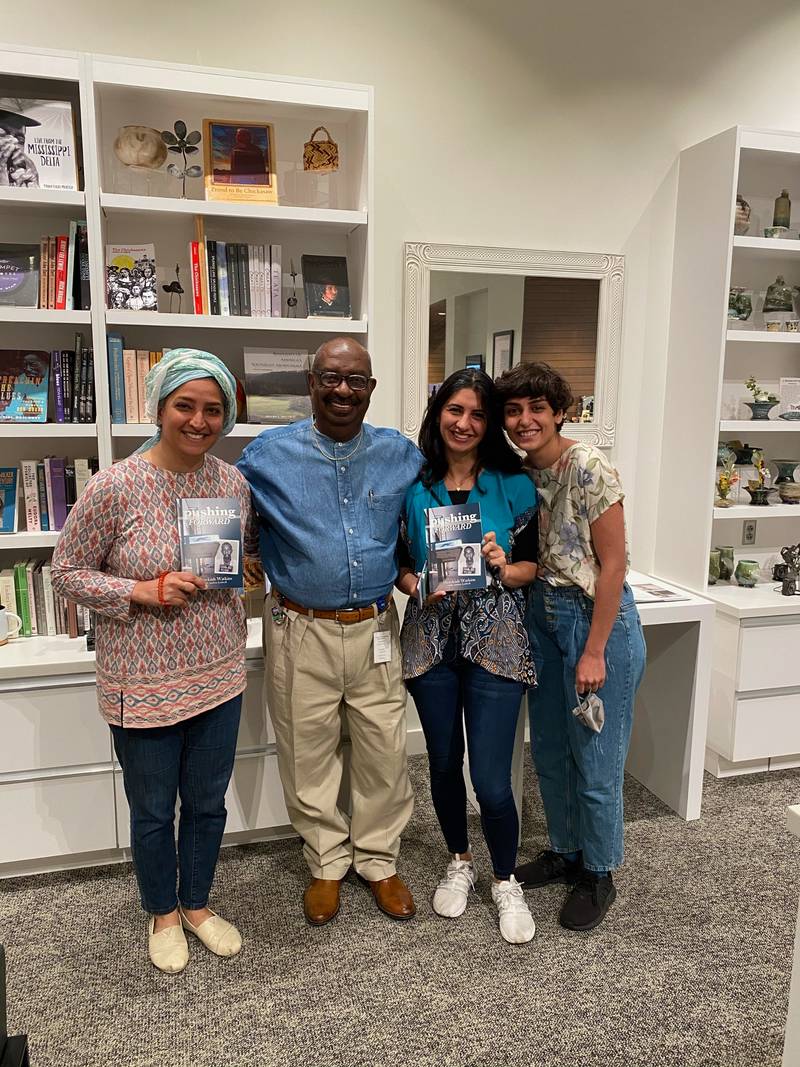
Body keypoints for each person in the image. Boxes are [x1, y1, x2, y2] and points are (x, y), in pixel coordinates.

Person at [51, 347, 258, 973]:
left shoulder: (232, 483)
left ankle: (196, 903)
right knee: (151, 808)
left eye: (213, 410)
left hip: (219, 672)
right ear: (159, 408)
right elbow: (66, 572)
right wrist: (140, 591)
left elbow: (239, 560)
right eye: (185, 406)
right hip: (140, 682)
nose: (199, 421)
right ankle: (162, 912)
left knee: (207, 801)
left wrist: (241, 574)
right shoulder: (114, 485)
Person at [237, 337, 423, 926]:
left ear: (371, 389)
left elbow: (431, 510)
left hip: (376, 626)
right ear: (311, 384)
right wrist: (243, 551)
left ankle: (378, 859)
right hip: (299, 628)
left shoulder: (401, 454)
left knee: (385, 749)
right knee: (305, 748)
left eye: (357, 380)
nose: (344, 389)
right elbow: (218, 499)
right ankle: (325, 862)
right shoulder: (267, 453)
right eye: (331, 378)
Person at [497, 361, 646, 932]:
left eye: (538, 408)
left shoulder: (588, 465)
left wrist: (595, 650)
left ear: (560, 411)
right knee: (552, 752)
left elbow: (614, 567)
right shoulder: (522, 472)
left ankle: (599, 870)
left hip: (592, 623)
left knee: (597, 757)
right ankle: (566, 850)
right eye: (514, 410)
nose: (526, 419)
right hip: (542, 616)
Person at [396, 369, 539, 945]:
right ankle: (460, 858)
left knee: (492, 778)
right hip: (431, 640)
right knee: (441, 762)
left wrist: (503, 563)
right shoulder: (414, 487)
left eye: (478, 415)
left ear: (489, 424)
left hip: (497, 641)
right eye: (455, 411)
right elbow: (399, 565)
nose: (465, 423)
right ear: (439, 415)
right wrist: (416, 585)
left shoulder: (515, 485)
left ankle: (506, 878)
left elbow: (534, 569)